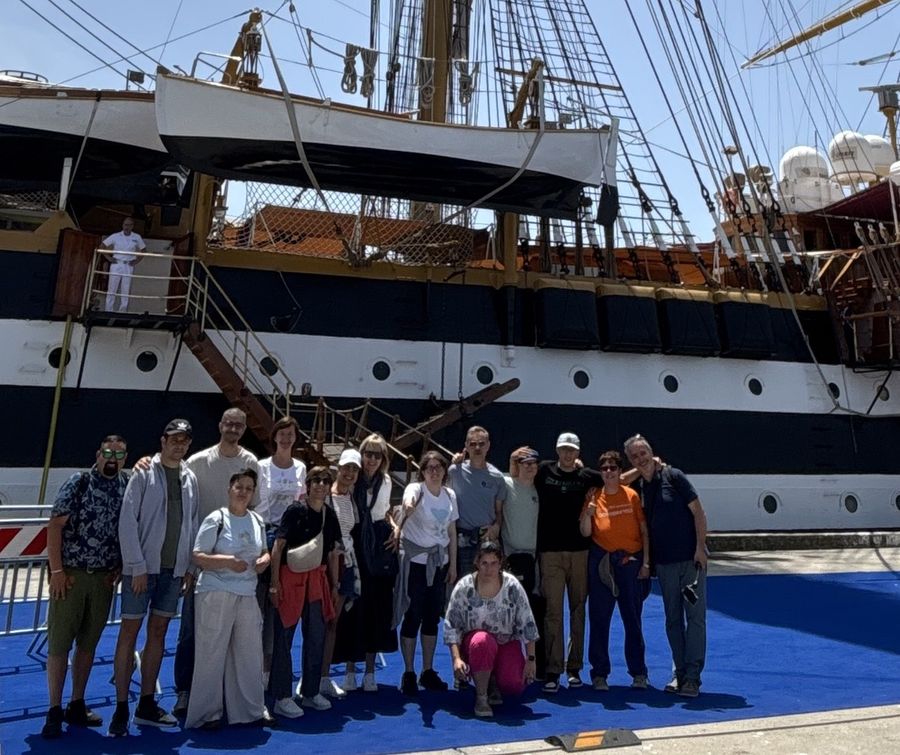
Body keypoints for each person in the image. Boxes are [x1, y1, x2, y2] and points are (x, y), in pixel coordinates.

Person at [110, 419, 198, 737]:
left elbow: (192, 522)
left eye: (184, 440)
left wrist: (189, 567)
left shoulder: (190, 478)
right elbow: (128, 520)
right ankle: (121, 707)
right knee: (129, 633)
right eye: (174, 439)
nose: (179, 444)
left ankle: (146, 703)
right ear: (163, 441)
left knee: (158, 633)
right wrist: (136, 566)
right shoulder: (144, 472)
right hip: (142, 570)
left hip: (173, 571)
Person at [41, 435, 129, 739]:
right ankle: (54, 709)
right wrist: (56, 571)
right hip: (72, 576)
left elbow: (126, 528)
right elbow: (55, 525)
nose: (112, 459)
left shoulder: (125, 486)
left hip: (103, 579)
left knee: (88, 644)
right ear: (98, 453)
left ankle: (76, 702)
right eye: (108, 453)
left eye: (119, 455)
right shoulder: (79, 483)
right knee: (59, 643)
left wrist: (120, 564)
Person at [173, 407, 259, 715]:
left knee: (234, 637)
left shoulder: (250, 462)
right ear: (220, 425)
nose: (233, 428)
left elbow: (253, 510)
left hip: (238, 571)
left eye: (239, 425)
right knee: (190, 632)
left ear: (244, 429)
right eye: (229, 423)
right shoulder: (198, 462)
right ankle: (185, 691)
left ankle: (223, 695)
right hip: (203, 563)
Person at [186, 469, 273, 729]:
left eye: (249, 488)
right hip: (216, 590)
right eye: (239, 487)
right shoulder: (216, 519)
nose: (243, 492)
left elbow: (265, 551)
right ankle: (206, 714)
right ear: (229, 489)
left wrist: (265, 560)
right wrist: (226, 562)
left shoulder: (257, 520)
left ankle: (249, 710)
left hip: (247, 592)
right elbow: (198, 556)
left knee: (249, 653)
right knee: (211, 653)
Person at [624, 434, 709, 698]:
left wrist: (700, 547)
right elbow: (617, 480)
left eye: (643, 453)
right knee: (672, 620)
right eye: (635, 456)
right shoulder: (639, 486)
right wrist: (640, 469)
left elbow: (698, 512)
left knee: (695, 619)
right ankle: (679, 673)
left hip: (690, 561)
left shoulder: (674, 477)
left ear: (652, 452)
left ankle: (692, 677)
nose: (640, 458)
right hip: (664, 565)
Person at [269, 465, 341, 716]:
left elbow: (332, 553)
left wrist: (334, 585)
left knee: (316, 636)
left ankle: (310, 691)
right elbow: (278, 547)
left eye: (325, 481)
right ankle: (281, 696)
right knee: (284, 638)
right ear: (308, 485)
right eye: (316, 480)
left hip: (316, 580)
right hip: (290, 578)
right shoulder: (295, 511)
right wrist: (274, 583)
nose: (320, 484)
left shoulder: (329, 515)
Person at [534, 432, 602, 693]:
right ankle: (553, 669)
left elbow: (614, 479)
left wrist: (643, 469)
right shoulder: (543, 470)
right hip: (550, 552)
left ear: (578, 452)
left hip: (579, 552)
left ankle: (574, 667)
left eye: (572, 450)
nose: (567, 454)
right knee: (553, 611)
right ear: (557, 450)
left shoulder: (587, 476)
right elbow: (518, 472)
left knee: (578, 609)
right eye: (564, 449)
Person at [579, 450, 650, 691]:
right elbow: (585, 532)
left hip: (630, 561)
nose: (608, 472)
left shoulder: (631, 495)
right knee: (599, 618)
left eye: (613, 468)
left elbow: (644, 531)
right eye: (604, 468)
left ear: (620, 471)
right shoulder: (593, 496)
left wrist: (646, 563)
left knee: (633, 619)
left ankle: (638, 673)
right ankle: (599, 673)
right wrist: (587, 513)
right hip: (602, 562)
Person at [445, 541, 539, 717]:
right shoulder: (464, 587)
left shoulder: (512, 586)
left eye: (494, 563)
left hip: (505, 642)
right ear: (477, 563)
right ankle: (481, 696)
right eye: (484, 563)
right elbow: (452, 626)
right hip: (475, 645)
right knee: (482, 641)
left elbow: (527, 623)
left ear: (501, 563)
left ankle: (494, 679)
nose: (489, 569)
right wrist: (456, 659)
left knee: (514, 683)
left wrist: (531, 659)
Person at [392, 450, 458, 696]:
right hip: (416, 564)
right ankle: (409, 671)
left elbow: (451, 531)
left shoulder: (450, 495)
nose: (434, 471)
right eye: (429, 467)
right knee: (412, 615)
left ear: (444, 471)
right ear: (422, 471)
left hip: (438, 563)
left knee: (432, 618)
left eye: (438, 467)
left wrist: (452, 566)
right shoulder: (416, 489)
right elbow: (408, 500)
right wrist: (408, 507)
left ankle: (427, 670)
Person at [338, 433, 398, 693]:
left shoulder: (386, 481)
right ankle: (350, 668)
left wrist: (395, 527)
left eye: (377, 455)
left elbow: (384, 512)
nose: (372, 459)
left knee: (377, 608)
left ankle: (370, 671)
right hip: (356, 543)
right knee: (353, 608)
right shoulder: (353, 479)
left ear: (384, 459)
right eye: (368, 454)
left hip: (379, 546)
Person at [256, 416, 307, 687]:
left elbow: (302, 501)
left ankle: (272, 668)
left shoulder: (300, 468)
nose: (286, 439)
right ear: (274, 437)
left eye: (291, 434)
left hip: (291, 539)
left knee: (281, 605)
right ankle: (257, 667)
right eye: (282, 434)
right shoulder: (262, 466)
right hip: (266, 534)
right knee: (261, 603)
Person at [501, 446, 546, 680]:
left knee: (534, 610)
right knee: (510, 612)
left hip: (534, 559)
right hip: (511, 557)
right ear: (517, 465)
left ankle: (536, 664)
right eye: (524, 463)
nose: (529, 467)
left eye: (532, 464)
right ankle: (507, 664)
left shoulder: (540, 489)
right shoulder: (505, 484)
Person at [319, 448, 362, 699]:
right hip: (326, 563)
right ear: (338, 468)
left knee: (333, 622)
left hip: (346, 563)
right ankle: (311, 677)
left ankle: (324, 677)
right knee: (319, 622)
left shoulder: (352, 497)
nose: (350, 473)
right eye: (346, 467)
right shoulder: (326, 496)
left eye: (354, 469)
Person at [447, 426, 506, 583]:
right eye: (473, 444)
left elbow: (499, 511)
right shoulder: (454, 471)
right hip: (462, 539)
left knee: (490, 583)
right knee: (465, 584)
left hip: (487, 538)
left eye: (481, 443)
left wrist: (496, 526)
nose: (477, 448)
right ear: (466, 446)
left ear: (488, 445)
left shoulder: (497, 477)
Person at [101, 216, 146, 313]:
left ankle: (122, 311)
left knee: (125, 289)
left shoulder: (136, 237)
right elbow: (102, 246)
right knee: (112, 288)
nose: (127, 227)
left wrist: (136, 261)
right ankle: (108, 310)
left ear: (132, 226)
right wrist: (109, 258)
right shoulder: (116, 236)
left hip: (128, 265)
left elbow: (143, 250)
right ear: (122, 225)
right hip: (116, 264)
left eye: (129, 225)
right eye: (125, 225)